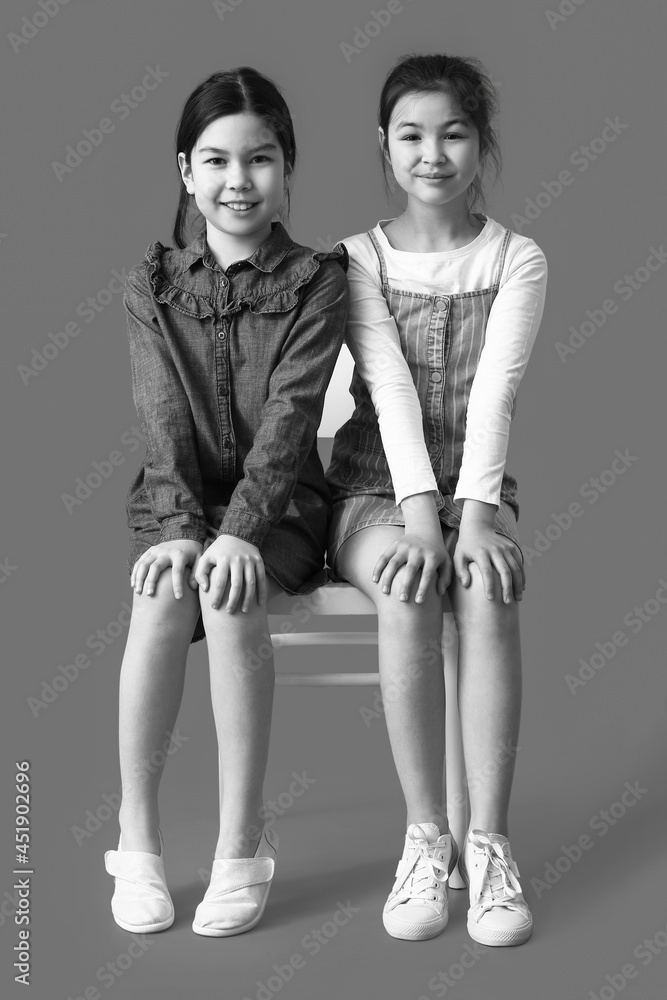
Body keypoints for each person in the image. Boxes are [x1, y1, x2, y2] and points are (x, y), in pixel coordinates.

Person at [104, 67, 348, 938]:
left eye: (259, 159)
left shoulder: (319, 278)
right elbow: (158, 419)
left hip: (278, 512)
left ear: (287, 171)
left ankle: (242, 846)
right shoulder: (150, 282)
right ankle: (136, 839)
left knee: (228, 588)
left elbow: (290, 421)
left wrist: (240, 532)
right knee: (163, 589)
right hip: (179, 501)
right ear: (185, 171)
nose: (236, 180)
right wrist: (178, 527)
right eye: (215, 160)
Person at [326, 53, 547, 946]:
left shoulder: (517, 258)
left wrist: (475, 519)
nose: (432, 153)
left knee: (487, 589)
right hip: (374, 487)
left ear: (479, 143)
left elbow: (494, 394)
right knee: (412, 583)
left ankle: (487, 848)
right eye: (411, 135)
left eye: (452, 133)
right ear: (383, 145)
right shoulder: (355, 259)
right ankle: (425, 841)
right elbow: (385, 387)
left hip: (477, 491)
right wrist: (424, 523)